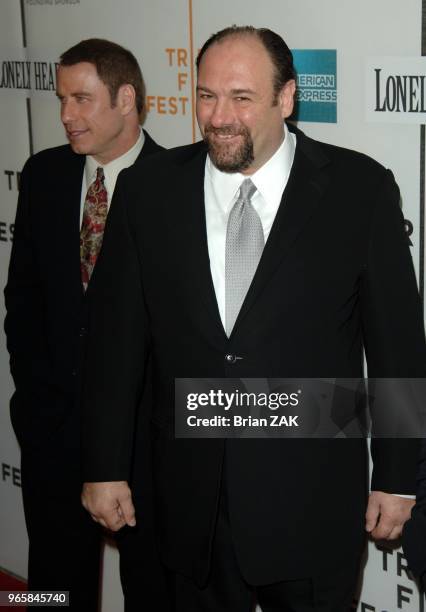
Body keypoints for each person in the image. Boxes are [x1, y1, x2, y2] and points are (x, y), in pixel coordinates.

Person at [81, 26, 426, 611]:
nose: (219, 117)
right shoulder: (148, 191)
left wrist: (395, 475)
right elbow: (116, 346)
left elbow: (396, 345)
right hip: (191, 502)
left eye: (241, 97)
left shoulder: (358, 189)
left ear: (286, 98)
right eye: (207, 96)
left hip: (312, 500)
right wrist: (104, 466)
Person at [4, 38, 166, 611]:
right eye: (60, 100)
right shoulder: (44, 173)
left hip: (144, 449)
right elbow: (22, 302)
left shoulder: (179, 185)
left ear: (127, 99)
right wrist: (36, 400)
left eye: (81, 98)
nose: (66, 115)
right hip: (52, 433)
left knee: (150, 590)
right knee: (51, 587)